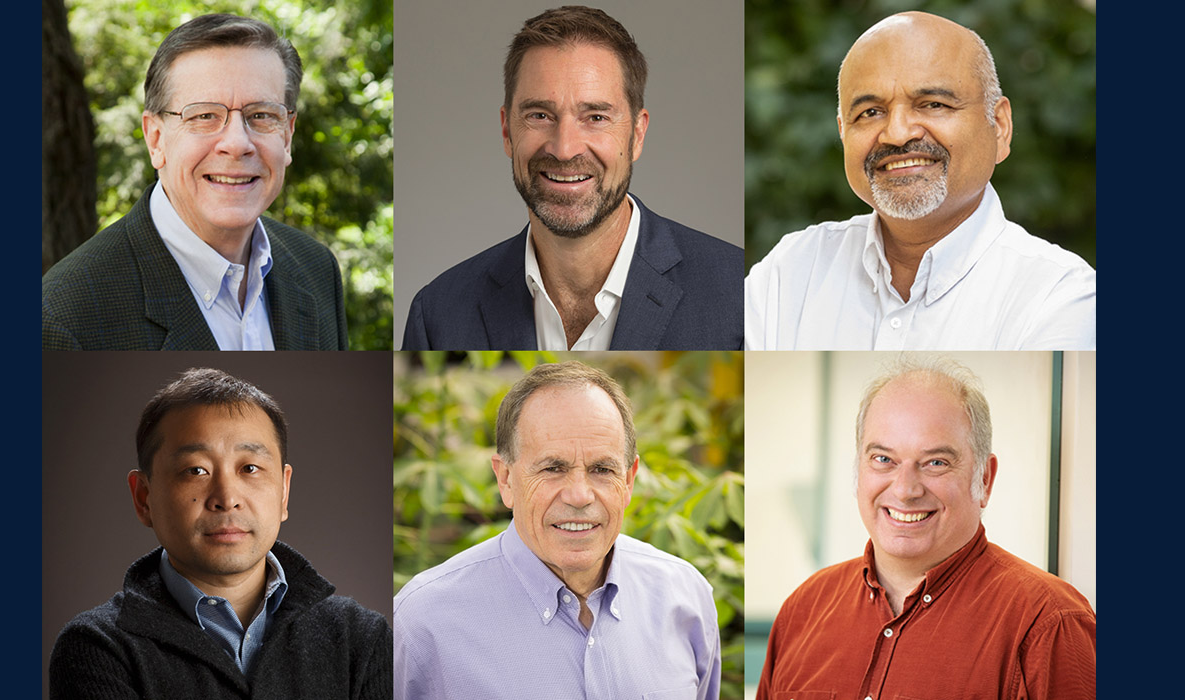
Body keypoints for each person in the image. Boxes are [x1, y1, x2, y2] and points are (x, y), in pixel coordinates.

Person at [745, 12, 1095, 350]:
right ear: (843, 132)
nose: (897, 134)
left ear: (999, 127)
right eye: (869, 113)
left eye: (933, 104)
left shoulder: (1059, 297)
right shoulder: (790, 272)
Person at [401, 5, 743, 351]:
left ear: (637, 135)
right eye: (539, 115)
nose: (564, 149)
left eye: (595, 117)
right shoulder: (437, 315)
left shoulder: (739, 295)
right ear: (507, 130)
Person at [755, 357, 1095, 699]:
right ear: (858, 469)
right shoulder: (803, 610)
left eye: (935, 463)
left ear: (985, 479)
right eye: (883, 459)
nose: (905, 489)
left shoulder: (1049, 623)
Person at [48, 368, 390, 698]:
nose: (226, 499)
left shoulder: (362, 638)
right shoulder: (97, 648)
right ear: (144, 497)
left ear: (284, 492)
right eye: (195, 470)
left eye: (250, 468)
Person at [394, 361, 721, 699]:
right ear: (505, 478)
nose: (579, 495)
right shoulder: (421, 624)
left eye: (601, 469)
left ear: (628, 480)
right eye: (553, 468)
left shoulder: (686, 596)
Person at [42, 14, 347, 350]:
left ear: (287, 137)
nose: (237, 143)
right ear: (156, 139)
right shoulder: (65, 316)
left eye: (261, 115)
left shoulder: (318, 269)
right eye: (204, 116)